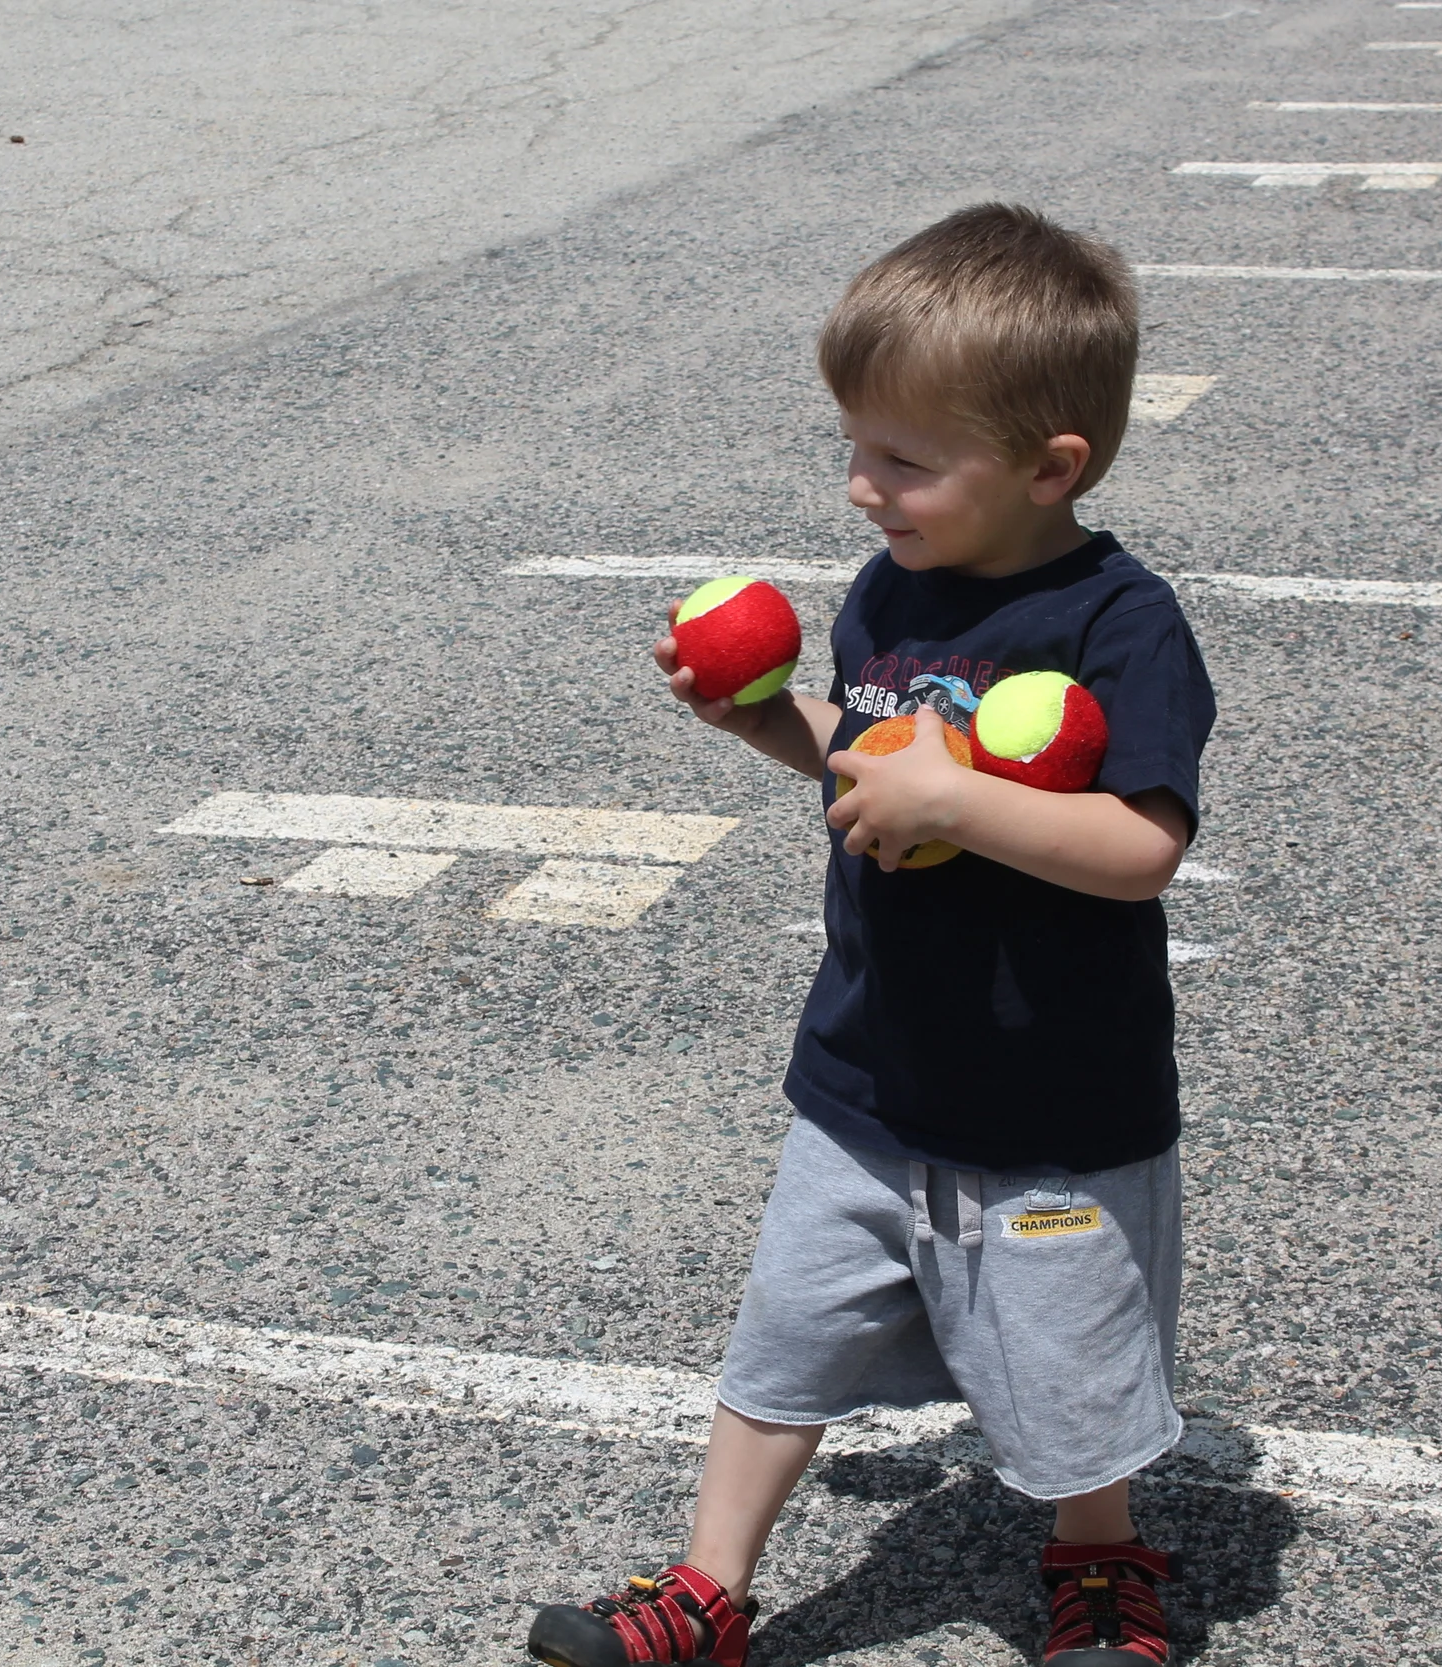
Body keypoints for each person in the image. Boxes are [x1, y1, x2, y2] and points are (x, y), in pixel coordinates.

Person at [527, 203, 1217, 1667]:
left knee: (1067, 1356)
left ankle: (1099, 1560)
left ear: (1051, 467)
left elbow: (1139, 846)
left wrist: (953, 795)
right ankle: (712, 1586)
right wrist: (770, 715)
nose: (862, 488)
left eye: (904, 460)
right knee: (783, 1335)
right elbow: (871, 754)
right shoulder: (892, 594)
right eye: (854, 446)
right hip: (868, 1065)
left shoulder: (1120, 624)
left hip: (1052, 1090)